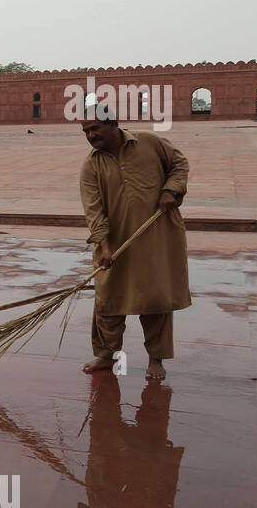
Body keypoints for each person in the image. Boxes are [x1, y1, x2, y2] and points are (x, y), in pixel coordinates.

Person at [79, 108, 191, 381]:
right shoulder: (91, 165)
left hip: (156, 236)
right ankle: (106, 355)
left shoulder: (150, 142)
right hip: (115, 243)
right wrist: (104, 246)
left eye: (95, 128)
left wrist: (170, 190)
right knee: (108, 299)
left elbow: (179, 164)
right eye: (86, 132)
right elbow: (93, 211)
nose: (90, 135)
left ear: (114, 124)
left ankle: (156, 358)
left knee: (155, 298)